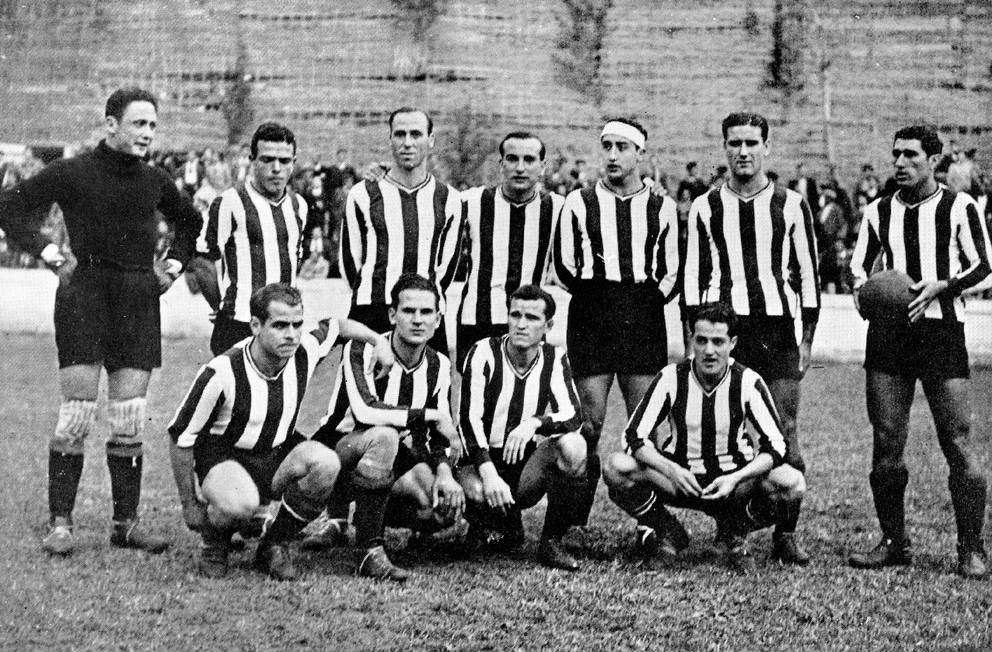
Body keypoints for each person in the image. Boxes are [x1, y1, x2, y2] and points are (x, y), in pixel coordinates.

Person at [0, 87, 202, 556]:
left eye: (152, 125)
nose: (147, 133)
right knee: (77, 412)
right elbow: (9, 206)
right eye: (138, 124)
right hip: (84, 294)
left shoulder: (155, 180)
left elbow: (190, 222)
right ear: (111, 124)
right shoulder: (71, 171)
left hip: (137, 297)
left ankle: (125, 525)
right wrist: (51, 253)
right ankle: (61, 523)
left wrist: (172, 266)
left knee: (129, 417)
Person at [167, 283, 391, 579]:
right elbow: (180, 436)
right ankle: (214, 543)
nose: (291, 334)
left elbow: (338, 326)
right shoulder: (222, 371)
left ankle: (274, 544)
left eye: (297, 324)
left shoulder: (305, 349)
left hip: (276, 453)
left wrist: (378, 340)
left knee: (326, 464)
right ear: (255, 326)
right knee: (240, 503)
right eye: (280, 325)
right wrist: (189, 505)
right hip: (227, 459)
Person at [847, 124, 992, 579]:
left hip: (941, 332)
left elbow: (985, 266)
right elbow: (858, 268)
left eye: (911, 155)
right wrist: (864, 295)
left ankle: (970, 547)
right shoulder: (878, 210)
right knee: (887, 440)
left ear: (933, 160)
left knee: (957, 441)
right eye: (896, 154)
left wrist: (942, 285)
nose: (900, 163)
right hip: (889, 334)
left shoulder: (959, 206)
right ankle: (894, 542)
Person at [682, 111, 820, 564]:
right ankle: (730, 526)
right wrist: (691, 339)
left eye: (751, 143)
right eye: (734, 143)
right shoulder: (705, 206)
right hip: (724, 330)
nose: (742, 152)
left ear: (766, 147)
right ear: (724, 148)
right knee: (727, 430)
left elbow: (808, 274)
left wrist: (806, 340)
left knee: (785, 429)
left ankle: (786, 533)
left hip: (776, 329)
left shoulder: (791, 203)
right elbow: (692, 277)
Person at [553, 117, 681, 540]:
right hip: (591, 314)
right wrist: (597, 297)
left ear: (640, 153)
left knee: (645, 425)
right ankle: (575, 522)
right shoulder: (579, 202)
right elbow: (565, 265)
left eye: (622, 147)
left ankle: (650, 524)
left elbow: (671, 270)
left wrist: (643, 303)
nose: (612, 155)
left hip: (642, 317)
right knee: (588, 424)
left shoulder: (661, 206)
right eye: (606, 146)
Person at [604, 302, 803, 573]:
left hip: (733, 483)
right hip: (680, 479)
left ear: (732, 343)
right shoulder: (671, 377)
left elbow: (777, 445)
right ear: (692, 340)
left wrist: (737, 477)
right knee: (615, 467)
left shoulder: (747, 381)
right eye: (702, 340)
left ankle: (735, 533)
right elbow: (633, 436)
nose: (709, 350)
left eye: (718, 342)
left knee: (793, 483)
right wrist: (672, 470)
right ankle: (667, 530)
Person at [310, 273, 463, 582]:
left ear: (437, 320)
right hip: (342, 449)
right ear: (393, 315)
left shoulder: (439, 365)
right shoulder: (363, 348)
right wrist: (430, 415)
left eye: (426, 312)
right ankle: (365, 544)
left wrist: (445, 472)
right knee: (384, 435)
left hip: (395, 458)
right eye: (408, 311)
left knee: (440, 510)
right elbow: (365, 410)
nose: (417, 320)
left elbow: (440, 435)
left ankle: (368, 518)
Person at [458, 285, 587, 570]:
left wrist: (535, 423)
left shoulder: (554, 357)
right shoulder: (483, 352)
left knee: (574, 446)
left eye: (532, 317)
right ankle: (492, 527)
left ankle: (551, 542)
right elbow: (468, 420)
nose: (521, 324)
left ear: (548, 326)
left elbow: (574, 415)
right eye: (515, 315)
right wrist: (488, 472)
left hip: (523, 464)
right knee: (477, 493)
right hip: (480, 462)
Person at [340, 107, 462, 355]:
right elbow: (350, 262)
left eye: (416, 134)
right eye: (400, 134)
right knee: (363, 379)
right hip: (372, 310)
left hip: (425, 313)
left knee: (428, 379)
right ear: (390, 139)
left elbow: (446, 268)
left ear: (430, 140)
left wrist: (423, 299)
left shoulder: (449, 198)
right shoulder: (362, 194)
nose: (407, 143)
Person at [194, 122, 308, 355]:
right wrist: (221, 306)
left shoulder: (299, 206)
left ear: (293, 163)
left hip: (283, 326)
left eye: (284, 161)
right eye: (267, 160)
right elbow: (202, 260)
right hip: (239, 324)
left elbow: (293, 261)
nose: (276, 168)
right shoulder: (231, 201)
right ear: (252, 160)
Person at [455, 131, 564, 371]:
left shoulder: (557, 207)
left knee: (526, 392)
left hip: (530, 321)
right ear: (501, 164)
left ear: (542, 166)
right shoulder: (471, 201)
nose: (520, 168)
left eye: (529, 160)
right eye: (512, 159)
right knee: (476, 393)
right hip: (477, 319)